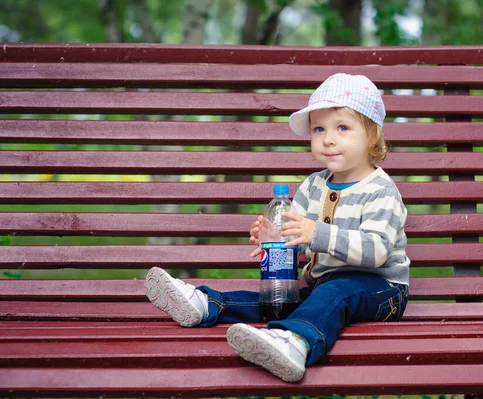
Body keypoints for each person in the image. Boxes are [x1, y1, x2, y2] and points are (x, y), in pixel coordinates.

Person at [144, 73, 410, 383]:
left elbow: (376, 251)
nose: (328, 139)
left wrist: (317, 234)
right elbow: (295, 235)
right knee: (282, 299)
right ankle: (206, 304)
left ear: (372, 136)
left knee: (337, 291)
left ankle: (294, 342)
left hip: (382, 291)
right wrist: (276, 240)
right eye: (319, 129)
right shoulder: (312, 186)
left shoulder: (381, 190)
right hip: (326, 287)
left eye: (343, 128)